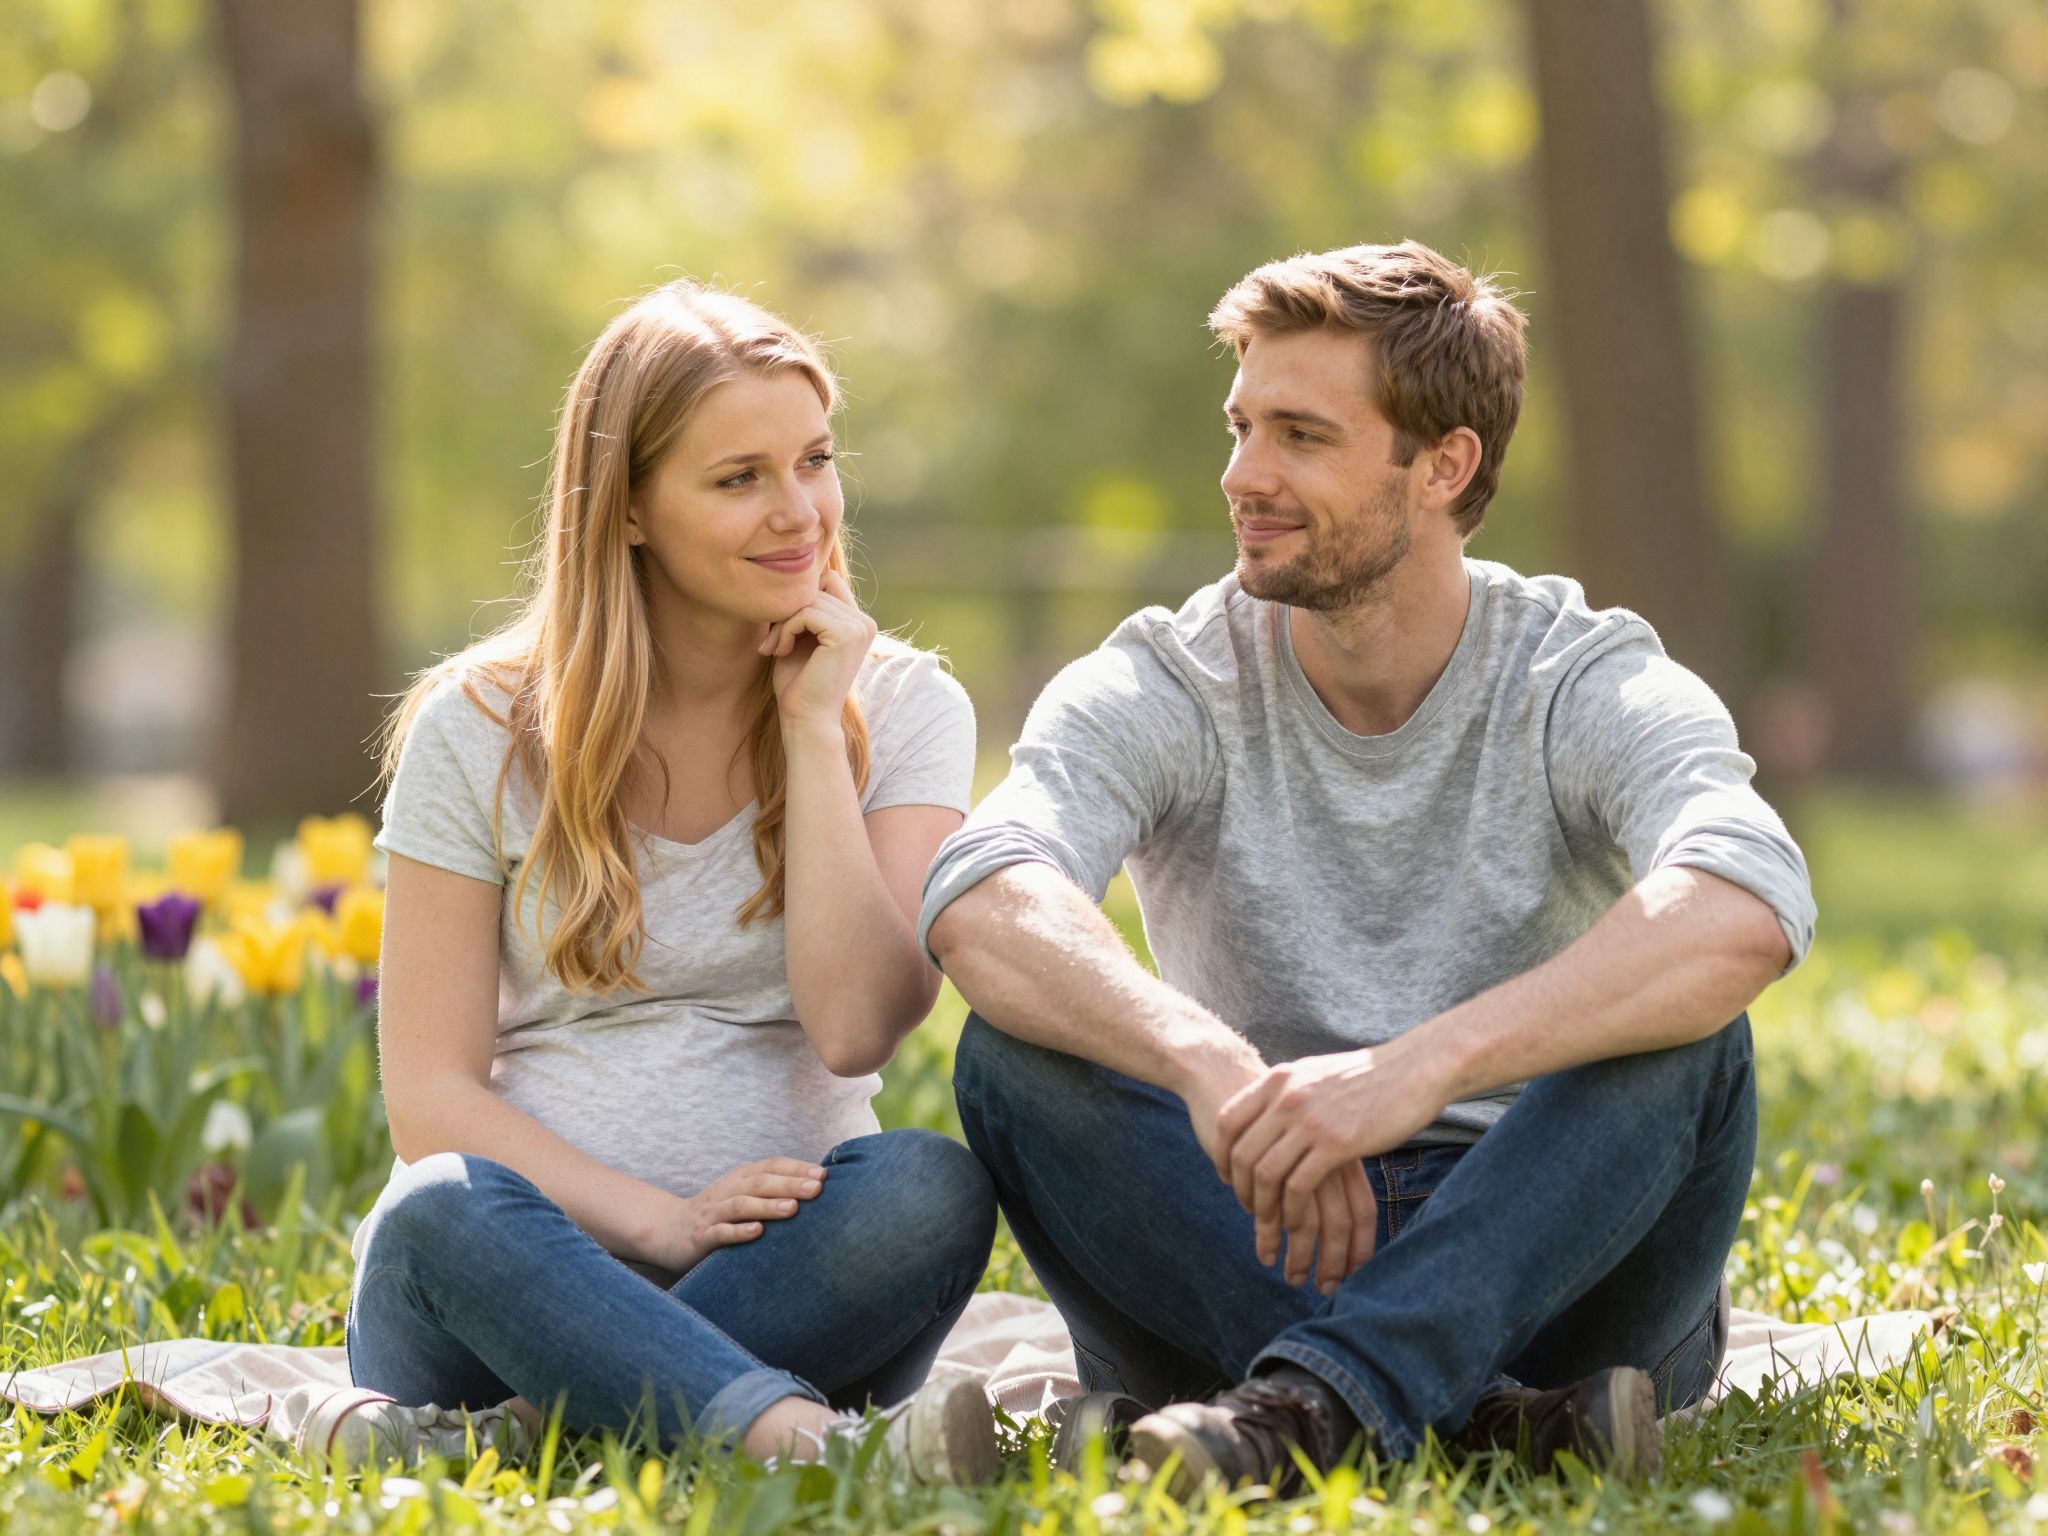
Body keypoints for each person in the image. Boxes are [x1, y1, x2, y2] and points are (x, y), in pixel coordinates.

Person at [921, 241, 1816, 1494]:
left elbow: (1743, 901)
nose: (1243, 475)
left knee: (1685, 1038)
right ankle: (1488, 1422)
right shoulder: (1170, 675)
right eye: (1239, 427)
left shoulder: (1576, 671)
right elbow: (980, 891)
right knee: (1017, 1057)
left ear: (1443, 463)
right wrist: (1211, 1064)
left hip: (1549, 1249)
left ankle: (1297, 1408)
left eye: (1299, 435)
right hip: (1252, 1222)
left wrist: (1418, 1068)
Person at [347, 281, 1000, 1483]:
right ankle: (811, 1445)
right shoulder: (478, 726)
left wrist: (813, 734)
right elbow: (428, 1097)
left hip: (794, 1275)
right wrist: (656, 1219)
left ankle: (570, 1426)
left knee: (928, 1185)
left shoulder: (901, 706)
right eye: (737, 477)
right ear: (630, 509)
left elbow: (856, 1031)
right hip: (499, 1280)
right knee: (441, 1205)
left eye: (813, 459)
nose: (797, 512)